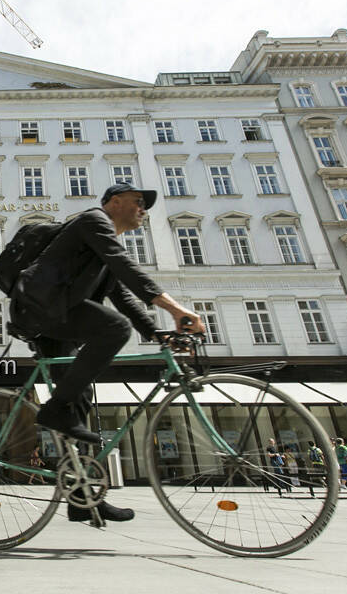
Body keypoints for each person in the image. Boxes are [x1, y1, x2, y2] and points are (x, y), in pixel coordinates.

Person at [10, 183, 203, 523]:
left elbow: (122, 295)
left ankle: (83, 496)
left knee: (80, 400)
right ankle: (54, 410)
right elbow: (126, 267)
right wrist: (175, 309)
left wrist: (156, 333)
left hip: (57, 316)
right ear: (115, 203)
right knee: (114, 329)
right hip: (40, 309)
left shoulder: (99, 243)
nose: (143, 210)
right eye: (138, 202)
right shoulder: (93, 221)